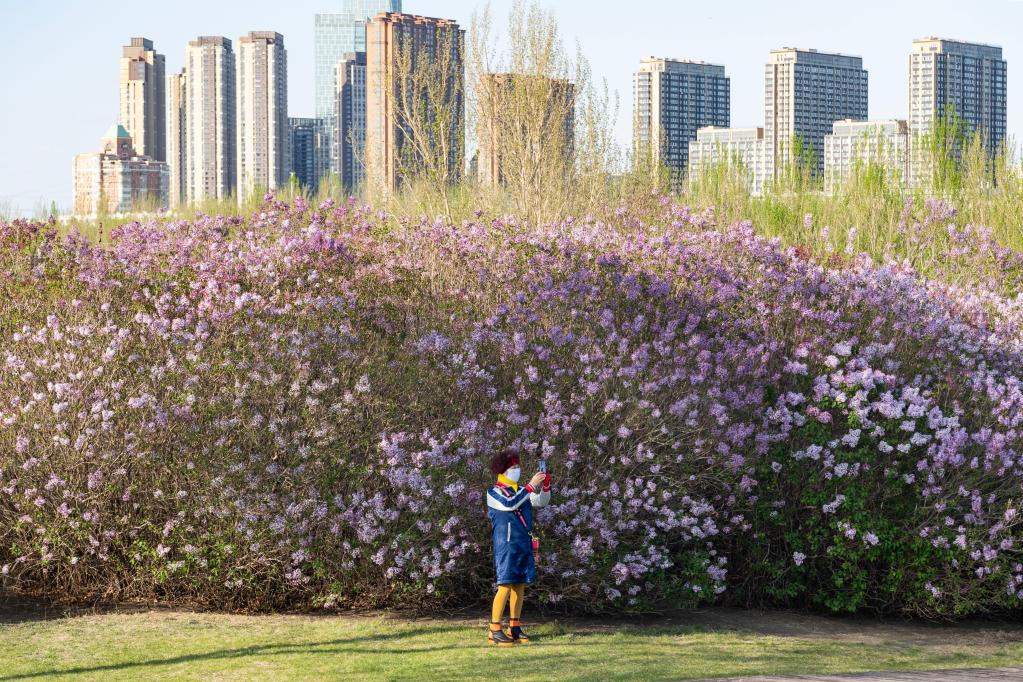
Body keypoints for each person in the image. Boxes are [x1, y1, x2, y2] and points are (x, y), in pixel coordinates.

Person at [485, 449, 551, 646]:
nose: (517, 470)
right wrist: (530, 486)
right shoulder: (494, 492)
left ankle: (514, 626)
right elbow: (509, 504)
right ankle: (494, 629)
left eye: (518, 466)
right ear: (503, 470)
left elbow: (541, 501)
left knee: (519, 584)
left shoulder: (522, 490)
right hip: (505, 544)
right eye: (513, 467)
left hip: (523, 542)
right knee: (505, 584)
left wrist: (545, 486)